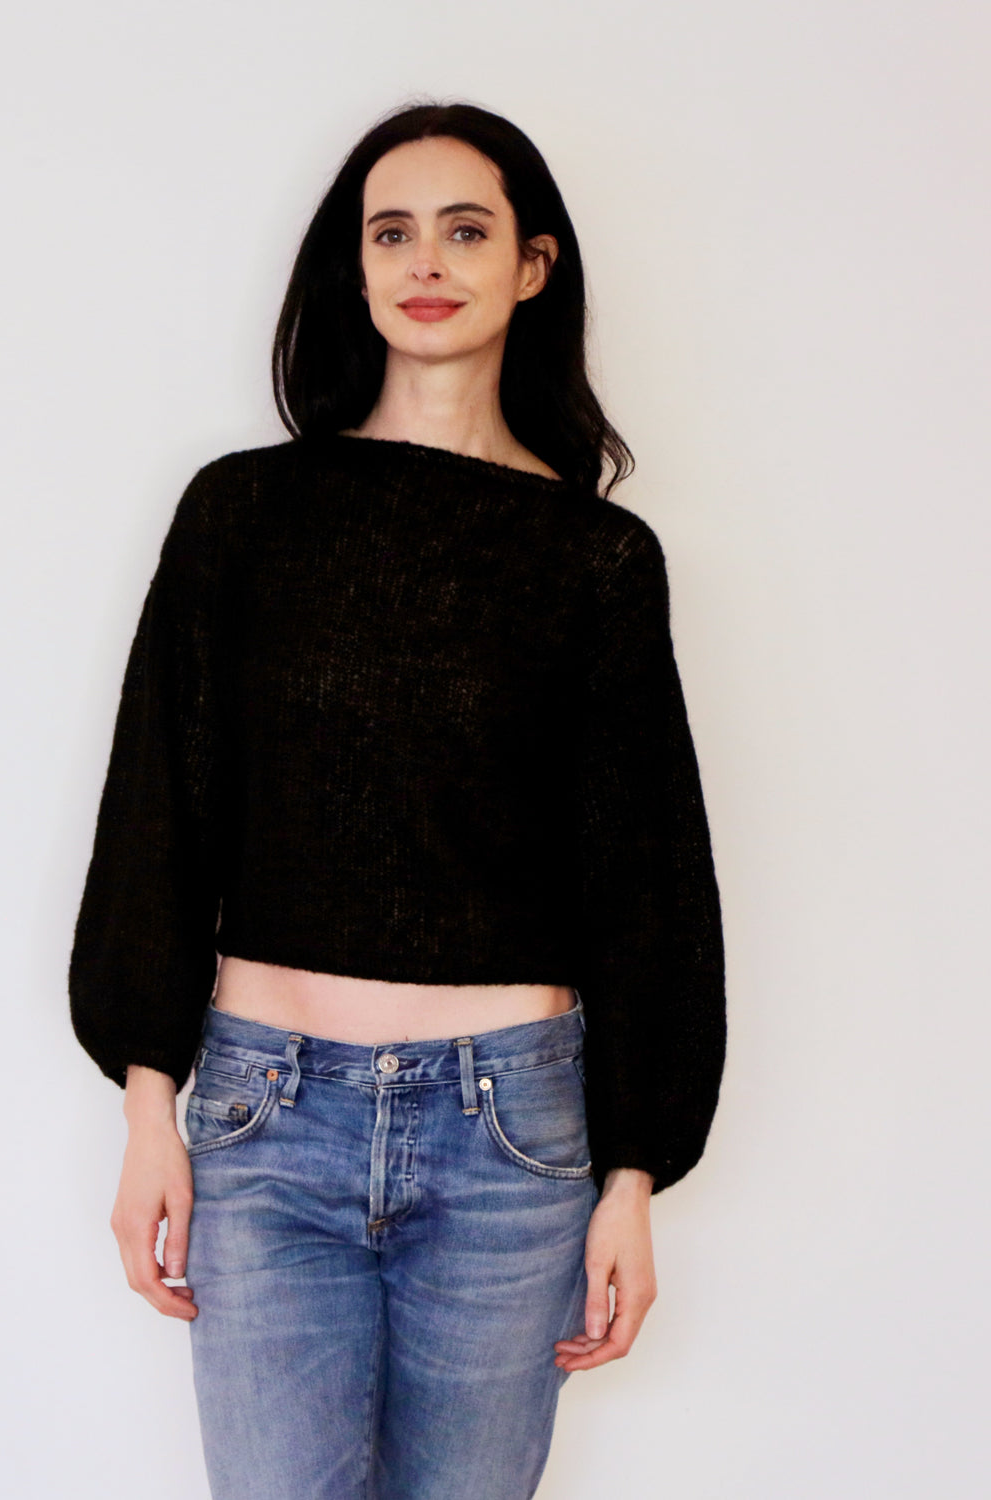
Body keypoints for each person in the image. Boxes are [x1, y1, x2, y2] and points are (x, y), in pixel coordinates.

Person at [69, 99, 727, 1500]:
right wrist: (147, 1106)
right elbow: (161, 810)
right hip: (268, 1124)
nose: (426, 261)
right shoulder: (243, 515)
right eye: (392, 233)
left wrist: (632, 1173)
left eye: (467, 230)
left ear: (532, 267)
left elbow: (644, 873)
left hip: (511, 1141)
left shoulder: (598, 561)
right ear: (355, 268)